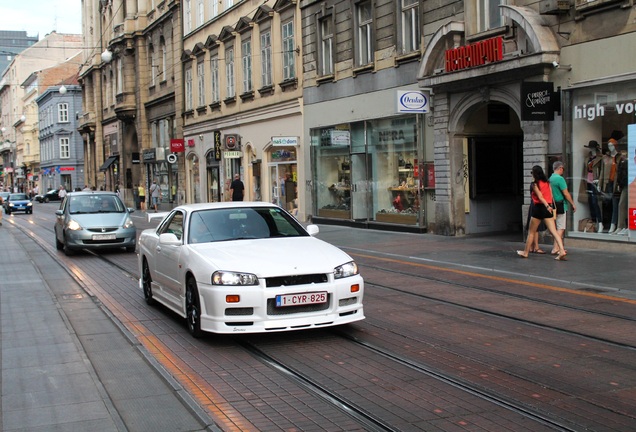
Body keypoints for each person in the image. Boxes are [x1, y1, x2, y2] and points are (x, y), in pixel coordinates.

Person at [517, 165, 567, 261]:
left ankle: (526, 252)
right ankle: (561, 250)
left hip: (539, 208)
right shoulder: (547, 183)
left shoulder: (535, 184)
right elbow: (550, 195)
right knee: (554, 232)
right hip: (548, 208)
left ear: (535, 174)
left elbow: (540, 197)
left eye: (532, 173)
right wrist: (549, 206)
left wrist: (546, 206)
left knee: (531, 232)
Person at [549, 161, 576, 255]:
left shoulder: (550, 178)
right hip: (560, 204)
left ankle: (557, 247)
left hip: (552, 205)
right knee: (561, 227)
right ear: (560, 168)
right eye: (562, 169)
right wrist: (572, 203)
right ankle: (555, 248)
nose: (563, 171)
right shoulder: (560, 179)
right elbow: (566, 193)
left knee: (556, 227)